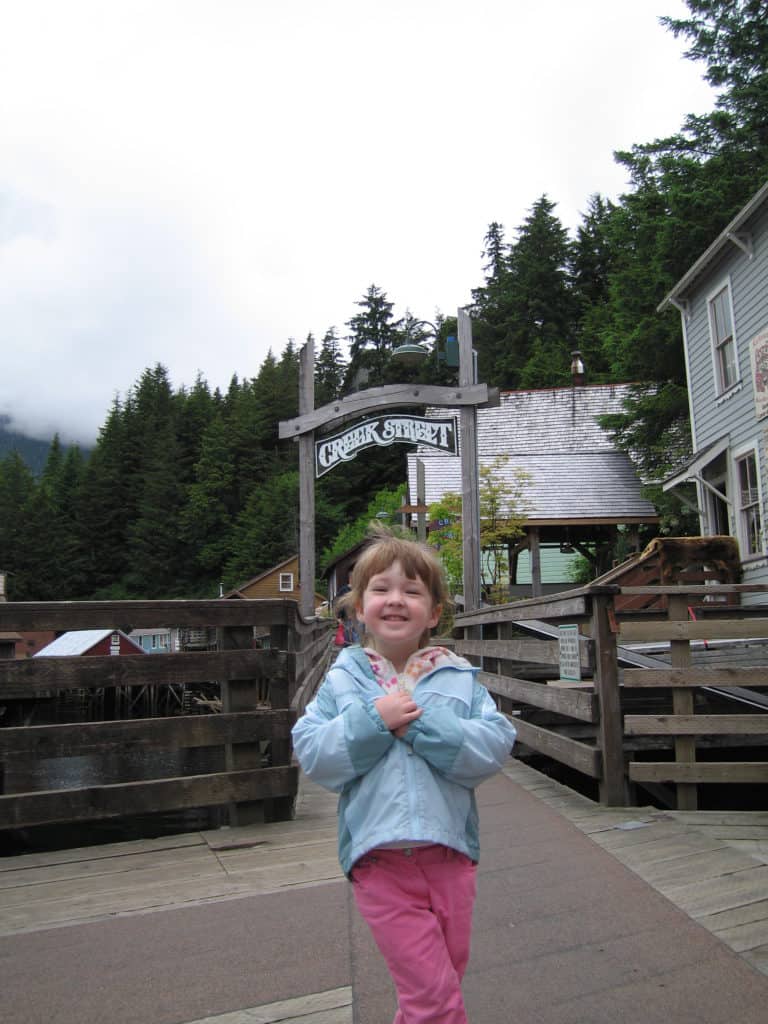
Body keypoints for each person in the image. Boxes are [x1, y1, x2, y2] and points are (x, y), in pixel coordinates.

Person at [292, 527, 516, 1024]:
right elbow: (313, 754)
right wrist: (375, 720)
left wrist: (416, 722)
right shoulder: (342, 680)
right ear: (358, 607)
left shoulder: (460, 677)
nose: (396, 600)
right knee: (433, 998)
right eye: (381, 589)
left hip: (451, 854)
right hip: (379, 859)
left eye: (412, 591)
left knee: (442, 982)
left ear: (433, 612)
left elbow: (494, 746)